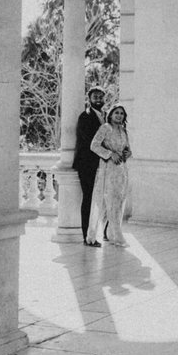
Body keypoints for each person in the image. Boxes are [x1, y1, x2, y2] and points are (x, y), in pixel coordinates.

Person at [90, 104, 131, 247]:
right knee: (111, 201)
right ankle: (116, 235)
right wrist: (109, 154)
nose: (119, 115)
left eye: (121, 113)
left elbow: (127, 149)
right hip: (108, 169)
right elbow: (94, 145)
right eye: (116, 113)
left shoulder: (123, 130)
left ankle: (110, 233)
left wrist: (127, 153)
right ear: (111, 115)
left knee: (119, 201)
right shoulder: (105, 128)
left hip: (122, 170)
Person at [74, 87, 105, 247]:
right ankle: (87, 236)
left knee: (101, 199)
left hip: (100, 165)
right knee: (89, 200)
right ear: (89, 98)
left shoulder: (105, 116)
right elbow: (89, 141)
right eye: (95, 97)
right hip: (87, 165)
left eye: (100, 96)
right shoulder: (85, 116)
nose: (98, 99)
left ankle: (104, 233)